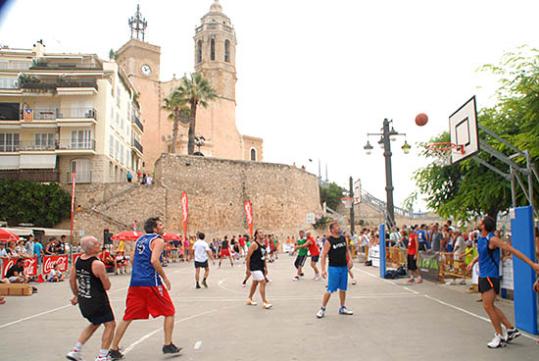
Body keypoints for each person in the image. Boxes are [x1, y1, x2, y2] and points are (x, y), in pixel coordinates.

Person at [109, 217, 181, 359]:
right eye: (160, 224)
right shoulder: (158, 240)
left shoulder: (140, 240)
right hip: (151, 283)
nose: (163, 226)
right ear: (155, 229)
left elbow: (132, 258)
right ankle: (168, 344)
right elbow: (154, 260)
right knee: (169, 311)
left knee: (128, 316)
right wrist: (165, 278)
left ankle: (113, 348)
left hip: (135, 283)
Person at [466, 216, 539, 348]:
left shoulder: (492, 239)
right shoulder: (482, 238)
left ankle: (499, 336)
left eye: (480, 221)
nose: (478, 222)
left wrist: (531, 264)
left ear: (484, 225)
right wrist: (473, 261)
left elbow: (511, 250)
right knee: (490, 306)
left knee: (488, 306)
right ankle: (510, 329)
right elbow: (483, 254)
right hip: (484, 275)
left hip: (490, 276)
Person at [66, 236, 115, 361]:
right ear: (92, 247)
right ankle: (102, 356)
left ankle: (76, 350)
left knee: (95, 323)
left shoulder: (78, 260)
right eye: (97, 244)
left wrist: (76, 295)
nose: (99, 245)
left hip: (84, 299)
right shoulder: (97, 264)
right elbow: (107, 286)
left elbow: (72, 279)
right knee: (110, 324)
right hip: (97, 299)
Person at [316, 222, 354, 318]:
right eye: (336, 226)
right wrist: (323, 269)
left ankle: (342, 307)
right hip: (334, 268)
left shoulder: (343, 238)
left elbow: (347, 250)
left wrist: (350, 260)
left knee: (343, 289)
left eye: (338, 226)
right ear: (332, 229)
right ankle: (322, 309)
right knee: (330, 290)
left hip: (343, 267)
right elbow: (324, 255)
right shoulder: (329, 241)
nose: (339, 227)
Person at [245, 229, 272, 309]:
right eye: (260, 232)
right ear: (256, 235)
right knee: (263, 282)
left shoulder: (263, 245)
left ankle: (249, 298)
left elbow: (263, 257)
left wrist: (265, 267)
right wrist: (247, 269)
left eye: (263, 232)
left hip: (260, 266)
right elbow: (248, 257)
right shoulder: (254, 244)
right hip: (254, 266)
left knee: (255, 283)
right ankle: (264, 302)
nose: (262, 234)